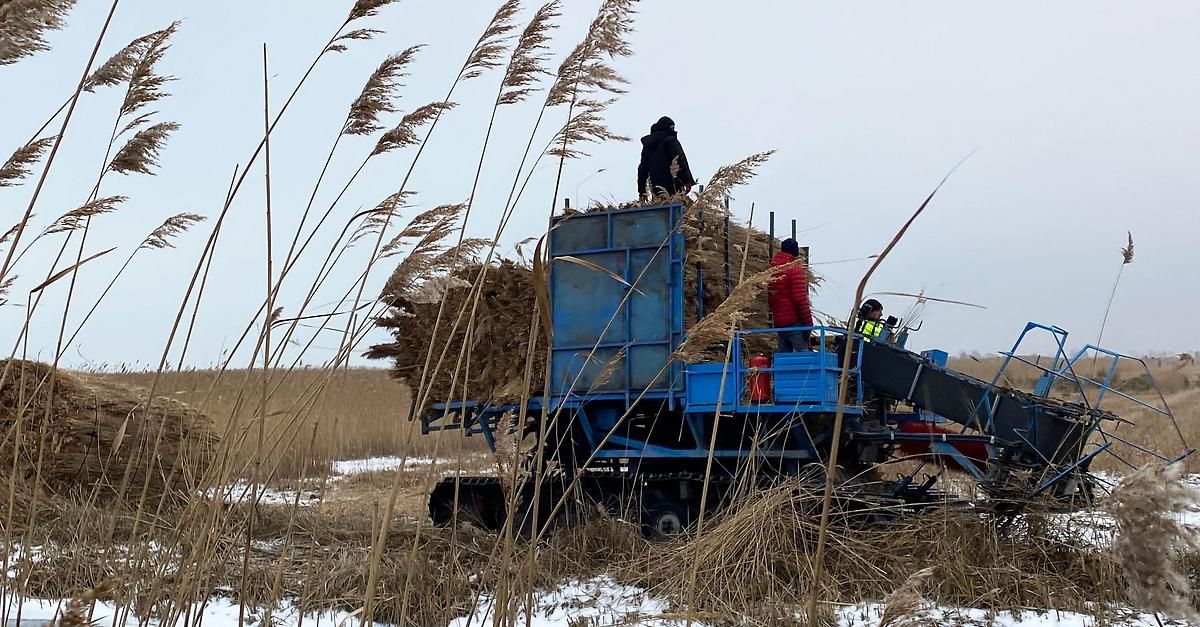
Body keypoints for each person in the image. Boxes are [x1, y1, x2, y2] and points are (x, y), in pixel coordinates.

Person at [767, 238, 814, 352]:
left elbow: (771, 298)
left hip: (780, 322)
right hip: (794, 321)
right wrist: (808, 322)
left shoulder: (772, 270)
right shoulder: (794, 269)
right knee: (804, 355)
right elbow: (800, 299)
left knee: (784, 359)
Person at [637, 116, 696, 199]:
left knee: (659, 209)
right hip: (673, 185)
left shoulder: (648, 145)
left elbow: (642, 169)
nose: (674, 130)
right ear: (668, 127)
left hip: (656, 189)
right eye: (672, 128)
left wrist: (642, 191)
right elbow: (680, 160)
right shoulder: (670, 140)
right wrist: (687, 180)